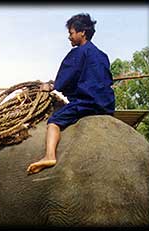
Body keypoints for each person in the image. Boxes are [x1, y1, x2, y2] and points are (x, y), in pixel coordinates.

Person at [27, 13, 115, 174]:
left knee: (53, 122)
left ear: (82, 32)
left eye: (71, 33)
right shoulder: (102, 55)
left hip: (87, 103)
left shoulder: (78, 53)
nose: (69, 37)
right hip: (107, 105)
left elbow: (63, 81)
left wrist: (50, 86)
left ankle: (49, 155)